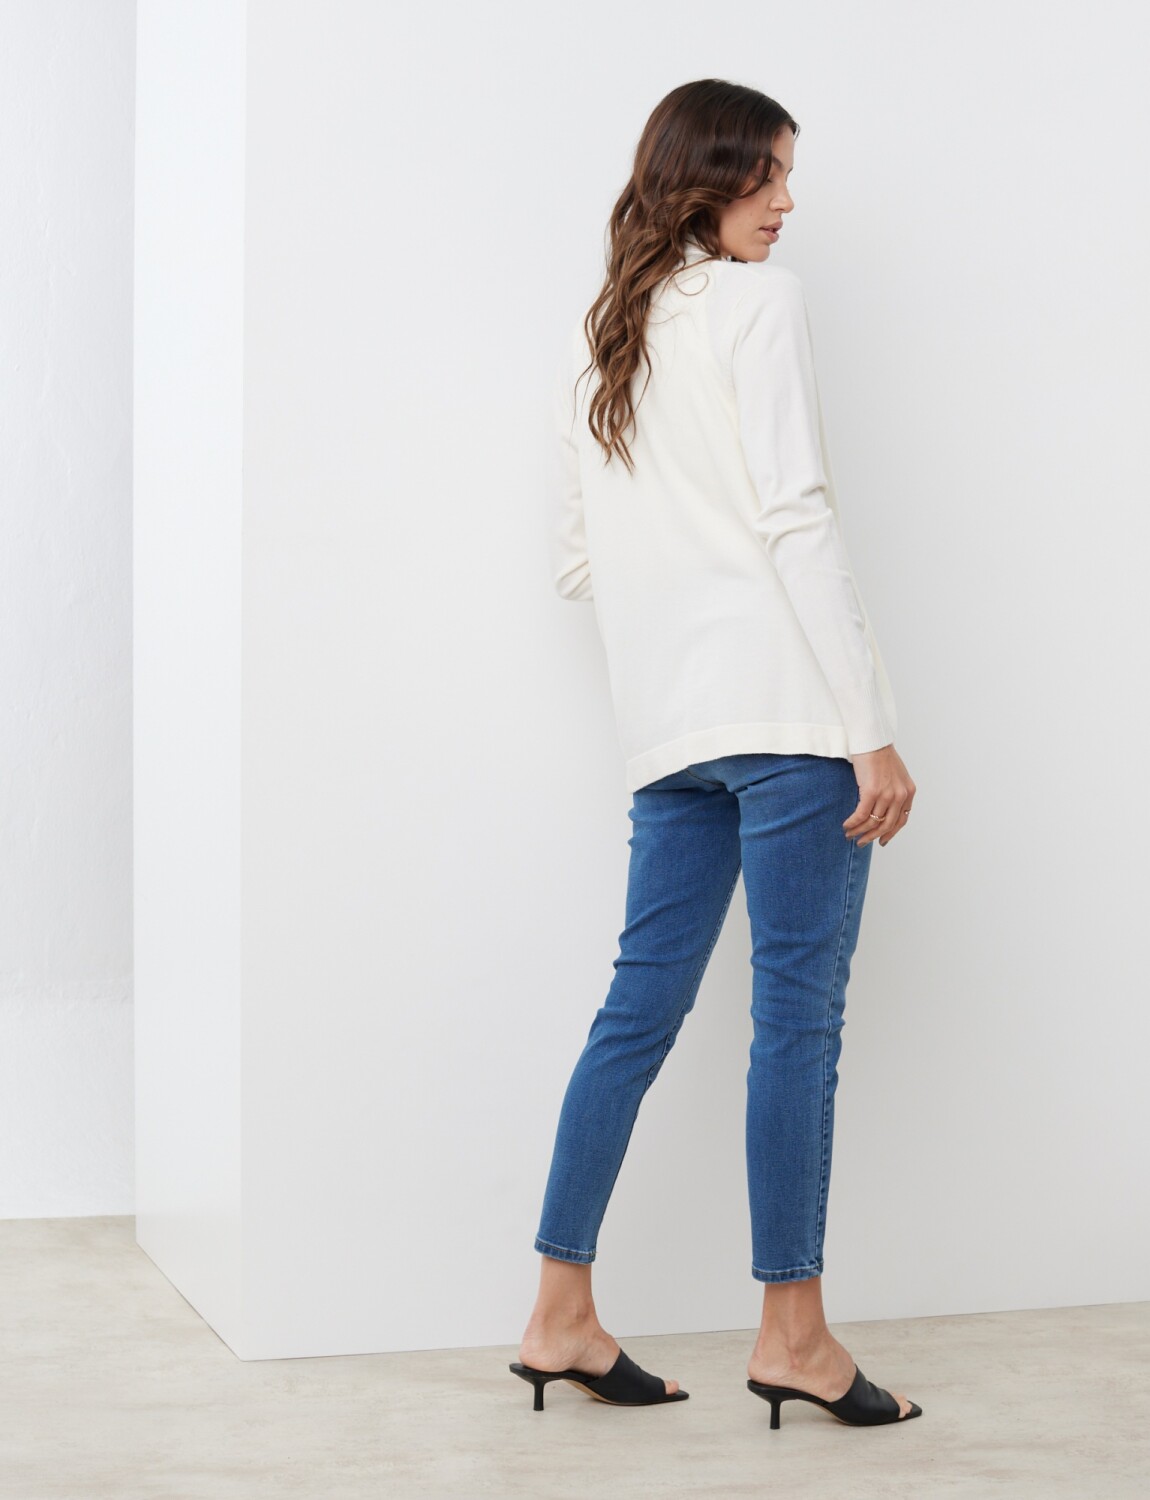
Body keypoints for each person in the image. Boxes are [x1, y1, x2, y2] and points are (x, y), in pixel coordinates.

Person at [509, 79, 921, 1429]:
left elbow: (579, 563)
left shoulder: (602, 348)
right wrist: (869, 728)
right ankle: (793, 1337)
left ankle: (558, 1314)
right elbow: (796, 514)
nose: (786, 204)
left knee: (634, 1015)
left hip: (666, 735)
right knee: (795, 1025)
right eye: (767, 177)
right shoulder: (757, 306)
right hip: (789, 723)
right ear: (705, 180)